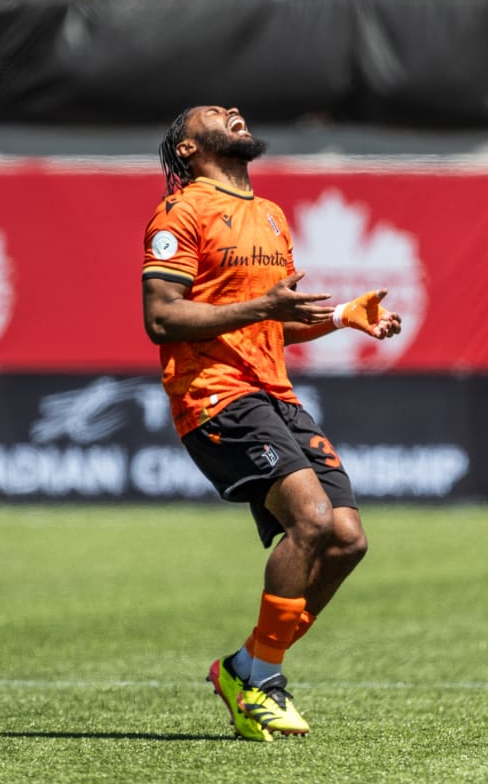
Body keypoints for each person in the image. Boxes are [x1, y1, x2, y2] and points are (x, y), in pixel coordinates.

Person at [141, 105, 402, 742]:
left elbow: (270, 320)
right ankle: (263, 681)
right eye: (213, 114)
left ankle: (246, 667)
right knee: (310, 520)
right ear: (187, 149)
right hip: (215, 393)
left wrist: (342, 315)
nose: (233, 112)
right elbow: (161, 318)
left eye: (233, 110)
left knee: (346, 539)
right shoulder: (181, 214)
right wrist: (262, 304)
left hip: (273, 390)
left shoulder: (270, 215)